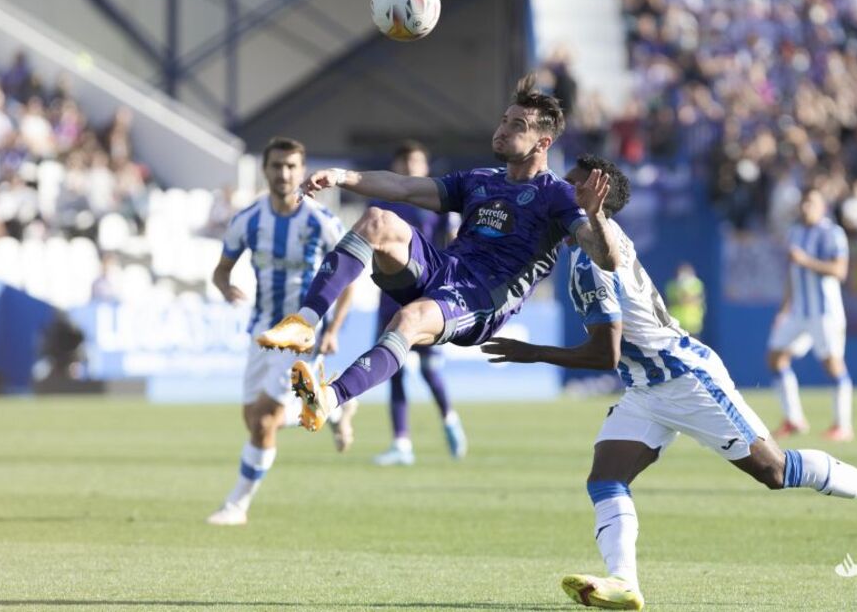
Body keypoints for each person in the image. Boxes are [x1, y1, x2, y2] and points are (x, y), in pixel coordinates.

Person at [481, 157, 857, 612]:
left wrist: (531, 353)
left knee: (776, 472)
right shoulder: (592, 244)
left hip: (686, 380)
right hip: (645, 389)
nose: (558, 189)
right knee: (605, 477)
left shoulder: (593, 260)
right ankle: (623, 582)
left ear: (595, 195)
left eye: (570, 184)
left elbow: (604, 354)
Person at [255, 74, 620, 432]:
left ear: (543, 142)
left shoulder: (556, 194)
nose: (504, 129)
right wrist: (343, 176)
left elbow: (607, 258)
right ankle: (303, 324)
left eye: (518, 125)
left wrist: (594, 215)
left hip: (482, 298)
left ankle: (329, 400)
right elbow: (404, 187)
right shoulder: (481, 179)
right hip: (444, 268)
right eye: (504, 120)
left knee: (408, 320)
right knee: (377, 219)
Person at [206, 136, 356, 526]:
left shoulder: (321, 221)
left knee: (263, 422)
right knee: (255, 421)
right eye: (277, 166)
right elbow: (220, 270)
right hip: (262, 333)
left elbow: (350, 276)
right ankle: (327, 403)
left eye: (291, 166)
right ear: (265, 170)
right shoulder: (248, 220)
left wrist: (334, 329)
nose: (284, 173)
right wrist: (225, 287)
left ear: (301, 171)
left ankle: (237, 505)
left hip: (304, 333)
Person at [370, 141, 466, 466]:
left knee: (429, 370)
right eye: (405, 161)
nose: (411, 167)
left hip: (426, 295)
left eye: (416, 161)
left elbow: (453, 244)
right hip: (389, 299)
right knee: (392, 369)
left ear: (426, 168)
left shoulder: (437, 204)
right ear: (396, 167)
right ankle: (401, 443)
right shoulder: (382, 205)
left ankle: (450, 419)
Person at [766, 187, 855, 441]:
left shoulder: (832, 233)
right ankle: (793, 419)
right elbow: (792, 276)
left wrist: (806, 260)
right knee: (775, 357)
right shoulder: (794, 233)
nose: (806, 208)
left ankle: (843, 425)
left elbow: (840, 271)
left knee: (832, 364)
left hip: (825, 312)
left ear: (822, 207)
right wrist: (784, 309)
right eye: (804, 203)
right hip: (798, 312)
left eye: (811, 203)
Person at [664, 262, 705, 336]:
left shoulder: (697, 284)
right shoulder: (672, 286)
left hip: (693, 325)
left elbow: (697, 300)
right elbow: (679, 300)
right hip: (676, 325)